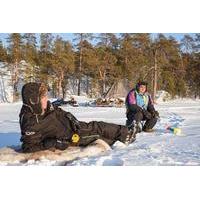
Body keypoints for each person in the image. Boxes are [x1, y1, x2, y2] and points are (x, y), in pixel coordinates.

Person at [19, 82, 136, 153]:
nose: (47, 99)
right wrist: (52, 143)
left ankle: (124, 134)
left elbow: (57, 111)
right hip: (69, 137)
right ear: (33, 100)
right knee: (97, 129)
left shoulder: (44, 108)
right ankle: (125, 134)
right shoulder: (30, 122)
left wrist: (69, 116)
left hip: (71, 126)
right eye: (43, 97)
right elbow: (28, 147)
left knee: (96, 129)